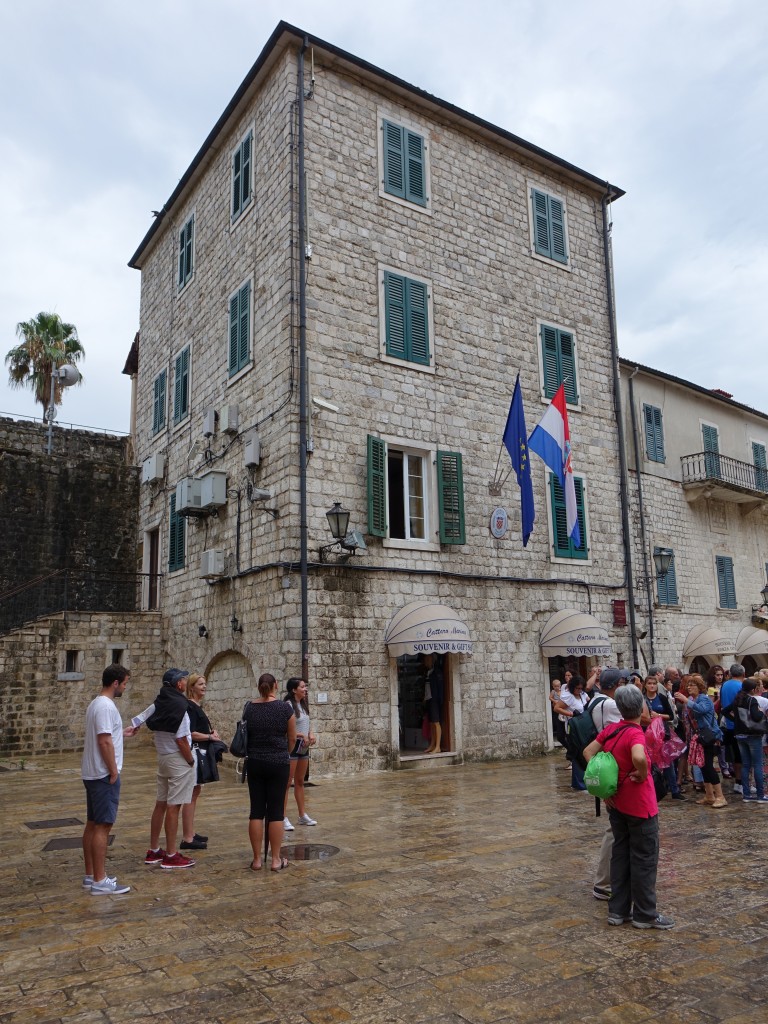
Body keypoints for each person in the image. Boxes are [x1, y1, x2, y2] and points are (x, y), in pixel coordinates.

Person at [584, 684, 674, 930]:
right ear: (640, 707)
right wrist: (642, 772)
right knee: (644, 858)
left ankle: (618, 910)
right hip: (640, 806)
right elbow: (638, 756)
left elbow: (588, 752)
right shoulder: (635, 732)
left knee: (620, 856)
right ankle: (645, 914)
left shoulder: (611, 730)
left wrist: (605, 788)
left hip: (617, 803)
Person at [133, 668, 197, 869]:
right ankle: (170, 854)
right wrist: (190, 761)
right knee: (173, 806)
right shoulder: (181, 707)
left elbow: (141, 718)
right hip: (178, 760)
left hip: (162, 757)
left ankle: (153, 850)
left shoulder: (159, 703)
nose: (186, 682)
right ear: (179, 684)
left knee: (160, 803)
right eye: (184, 680)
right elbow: (181, 740)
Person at [81, 665, 136, 895]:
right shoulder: (105, 706)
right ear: (115, 683)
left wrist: (121, 733)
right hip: (103, 774)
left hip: (93, 772)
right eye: (124, 683)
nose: (125, 687)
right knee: (103, 825)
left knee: (93, 823)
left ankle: (91, 874)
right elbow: (104, 741)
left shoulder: (96, 704)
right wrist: (113, 771)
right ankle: (100, 881)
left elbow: (106, 735)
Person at [245, 672, 297, 871]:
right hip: (278, 762)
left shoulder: (250, 708)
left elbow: (246, 734)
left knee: (256, 810)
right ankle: (276, 860)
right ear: (276, 685)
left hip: (256, 762)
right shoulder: (285, 709)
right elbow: (292, 739)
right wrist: (284, 753)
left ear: (259, 686)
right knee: (276, 812)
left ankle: (257, 860)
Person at [589, 668, 626, 902]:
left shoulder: (595, 700)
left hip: (606, 767)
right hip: (615, 768)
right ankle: (603, 882)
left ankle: (613, 878)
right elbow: (641, 716)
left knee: (617, 827)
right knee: (614, 829)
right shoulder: (612, 705)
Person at [180, 673, 221, 851]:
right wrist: (210, 737)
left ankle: (191, 832)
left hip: (200, 752)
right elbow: (190, 732)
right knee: (191, 794)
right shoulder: (190, 706)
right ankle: (187, 838)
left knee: (195, 794)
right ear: (192, 687)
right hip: (195, 753)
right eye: (200, 684)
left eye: (205, 684)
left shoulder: (196, 705)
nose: (204, 687)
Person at [674, 674, 726, 808]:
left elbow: (702, 710)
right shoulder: (692, 699)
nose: (689, 687)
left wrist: (686, 700)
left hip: (709, 737)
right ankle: (709, 796)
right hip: (699, 738)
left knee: (708, 766)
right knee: (702, 766)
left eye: (693, 685)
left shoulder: (704, 699)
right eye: (688, 685)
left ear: (700, 687)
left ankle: (720, 796)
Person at [283, 677, 318, 830]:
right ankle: (282, 817)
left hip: (303, 747)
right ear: (293, 690)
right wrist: (300, 735)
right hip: (292, 746)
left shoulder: (303, 704)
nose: (305, 689)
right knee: (286, 783)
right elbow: (284, 730)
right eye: (303, 687)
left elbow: (306, 724)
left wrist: (310, 735)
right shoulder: (288, 706)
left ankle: (302, 815)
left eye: (305, 686)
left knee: (299, 782)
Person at [642, 674, 683, 800]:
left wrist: (658, 715)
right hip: (646, 734)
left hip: (661, 734)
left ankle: (674, 789)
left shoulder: (662, 698)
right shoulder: (642, 699)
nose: (652, 686)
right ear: (645, 685)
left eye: (654, 683)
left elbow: (670, 716)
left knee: (667, 761)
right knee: (650, 762)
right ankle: (652, 789)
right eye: (649, 683)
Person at [732, 679, 768, 802]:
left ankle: (746, 795)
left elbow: (725, 711)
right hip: (752, 735)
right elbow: (756, 717)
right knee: (757, 764)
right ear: (753, 690)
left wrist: (736, 721)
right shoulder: (751, 700)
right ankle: (760, 795)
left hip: (739, 735)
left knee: (745, 765)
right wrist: (761, 712)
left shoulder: (737, 699)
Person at [553, 674, 589, 790]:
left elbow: (589, 703)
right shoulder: (568, 697)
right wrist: (571, 714)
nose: (579, 690)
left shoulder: (583, 695)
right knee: (577, 753)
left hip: (584, 727)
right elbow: (557, 708)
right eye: (577, 688)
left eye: (581, 688)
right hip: (573, 727)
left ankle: (585, 780)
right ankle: (578, 782)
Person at [719, 664, 745, 793]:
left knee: (735, 755)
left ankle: (738, 782)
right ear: (743, 674)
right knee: (743, 755)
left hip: (728, 724)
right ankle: (743, 782)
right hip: (740, 724)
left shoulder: (725, 685)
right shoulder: (741, 686)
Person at [422, 654, 444, 754]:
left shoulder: (436, 673)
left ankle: (438, 747)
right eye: (425, 659)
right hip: (429, 699)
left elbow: (440, 689)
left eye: (428, 659)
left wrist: (440, 700)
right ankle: (432, 744)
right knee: (431, 723)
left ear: (432, 660)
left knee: (436, 722)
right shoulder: (428, 672)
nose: (426, 661)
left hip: (435, 700)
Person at [549, 679, 566, 747]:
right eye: (555, 686)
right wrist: (555, 701)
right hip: (556, 709)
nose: (557, 687)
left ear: (560, 686)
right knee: (557, 721)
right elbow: (550, 698)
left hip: (562, 709)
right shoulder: (553, 692)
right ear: (553, 686)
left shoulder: (562, 692)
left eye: (558, 686)